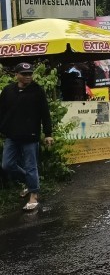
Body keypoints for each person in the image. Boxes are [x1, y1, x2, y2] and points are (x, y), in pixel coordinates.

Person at [0, 62, 54, 211]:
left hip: (30, 136)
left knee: (31, 166)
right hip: (12, 135)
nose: (28, 76)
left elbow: (45, 113)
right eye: (24, 74)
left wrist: (48, 134)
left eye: (30, 73)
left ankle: (33, 196)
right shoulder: (8, 91)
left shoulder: (38, 91)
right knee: (7, 165)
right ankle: (30, 184)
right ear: (16, 75)